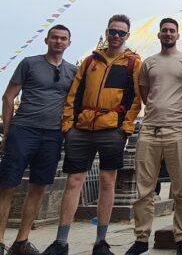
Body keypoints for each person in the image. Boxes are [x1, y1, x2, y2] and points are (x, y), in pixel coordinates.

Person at [42, 14, 142, 255]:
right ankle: (61, 241)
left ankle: (101, 241)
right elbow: (74, 94)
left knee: (108, 182)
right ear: (107, 32)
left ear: (127, 36)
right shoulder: (90, 61)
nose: (116, 36)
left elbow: (137, 97)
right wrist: (68, 125)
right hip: (82, 127)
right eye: (112, 31)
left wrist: (126, 127)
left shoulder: (133, 63)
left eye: (121, 33)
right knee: (73, 182)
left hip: (113, 128)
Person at [0, 26, 76, 255]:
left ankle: (21, 241)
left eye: (63, 39)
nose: (58, 42)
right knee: (7, 185)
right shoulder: (29, 64)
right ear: (46, 40)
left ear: (69, 43)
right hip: (24, 129)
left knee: (39, 187)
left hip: (52, 134)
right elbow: (9, 96)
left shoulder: (73, 71)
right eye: (54, 37)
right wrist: (7, 131)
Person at [124, 18, 182, 255]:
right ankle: (141, 238)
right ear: (159, 35)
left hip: (177, 129)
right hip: (149, 129)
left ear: (178, 35)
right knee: (144, 189)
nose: (168, 34)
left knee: (181, 188)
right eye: (164, 30)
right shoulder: (149, 63)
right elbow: (145, 94)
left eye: (172, 31)